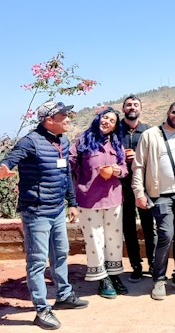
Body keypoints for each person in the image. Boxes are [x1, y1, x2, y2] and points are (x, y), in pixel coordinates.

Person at [0, 100, 89, 329]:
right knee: (37, 261)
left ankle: (64, 295)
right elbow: (11, 160)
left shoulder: (62, 142)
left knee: (61, 254)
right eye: (63, 115)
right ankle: (41, 309)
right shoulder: (30, 142)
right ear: (49, 120)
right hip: (36, 211)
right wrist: (5, 169)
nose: (68, 118)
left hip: (57, 209)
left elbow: (66, 174)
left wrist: (72, 203)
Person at [132, 101, 175, 300]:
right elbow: (139, 166)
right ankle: (159, 278)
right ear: (168, 112)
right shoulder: (150, 135)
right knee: (166, 234)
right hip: (161, 195)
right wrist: (138, 192)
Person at [69, 107, 129, 299]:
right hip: (89, 199)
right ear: (98, 118)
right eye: (105, 118)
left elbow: (124, 168)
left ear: (114, 127)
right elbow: (69, 165)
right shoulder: (82, 141)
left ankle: (114, 275)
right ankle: (102, 279)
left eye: (112, 121)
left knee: (114, 238)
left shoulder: (116, 143)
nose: (107, 122)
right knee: (95, 239)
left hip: (113, 198)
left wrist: (118, 171)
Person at [118, 95, 155, 283]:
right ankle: (136, 265)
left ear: (141, 108)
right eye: (129, 105)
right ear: (123, 108)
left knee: (149, 226)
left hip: (144, 186)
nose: (132, 107)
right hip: (121, 187)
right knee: (128, 227)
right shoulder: (115, 131)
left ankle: (154, 263)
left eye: (135, 105)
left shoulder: (148, 131)